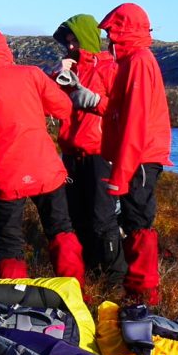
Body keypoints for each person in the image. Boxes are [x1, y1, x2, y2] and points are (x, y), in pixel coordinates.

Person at [0, 22, 86, 283]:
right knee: (61, 230)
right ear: (4, 46)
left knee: (9, 243)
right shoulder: (32, 74)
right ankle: (77, 293)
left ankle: (11, 303)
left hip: (6, 175)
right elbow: (63, 108)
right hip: (45, 168)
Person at [71, 3, 172, 305]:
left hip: (140, 158)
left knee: (138, 223)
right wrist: (93, 101)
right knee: (131, 221)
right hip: (135, 157)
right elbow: (119, 110)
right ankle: (137, 290)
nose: (109, 40)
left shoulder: (139, 61)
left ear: (124, 33)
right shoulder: (130, 63)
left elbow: (135, 121)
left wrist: (122, 172)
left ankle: (144, 295)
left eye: (112, 33)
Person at [52, 14, 123, 283]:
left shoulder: (109, 68)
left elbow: (120, 109)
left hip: (99, 154)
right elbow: (47, 97)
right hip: (71, 155)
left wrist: (93, 100)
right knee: (75, 218)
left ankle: (115, 281)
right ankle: (91, 277)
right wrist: (59, 73)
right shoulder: (68, 71)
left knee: (102, 219)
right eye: (67, 42)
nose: (71, 47)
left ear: (88, 39)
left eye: (75, 41)